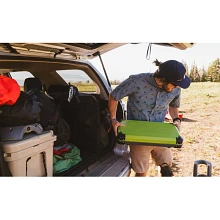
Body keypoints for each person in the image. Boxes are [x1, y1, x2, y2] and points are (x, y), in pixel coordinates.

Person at [108, 59, 191, 177]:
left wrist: (176, 120)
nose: (177, 87)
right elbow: (114, 96)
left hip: (161, 134)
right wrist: (113, 119)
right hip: (137, 135)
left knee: (167, 168)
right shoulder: (136, 81)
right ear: (163, 79)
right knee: (141, 172)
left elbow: (173, 106)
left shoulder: (176, 89)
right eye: (175, 84)